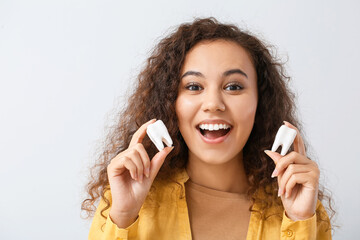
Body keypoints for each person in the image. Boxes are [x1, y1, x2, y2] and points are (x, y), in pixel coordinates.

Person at [82, 17, 334, 239]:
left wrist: (300, 221)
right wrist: (124, 217)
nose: (213, 104)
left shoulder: (302, 210)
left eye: (233, 87)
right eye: (193, 86)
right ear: (170, 102)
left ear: (261, 101)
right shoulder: (126, 203)